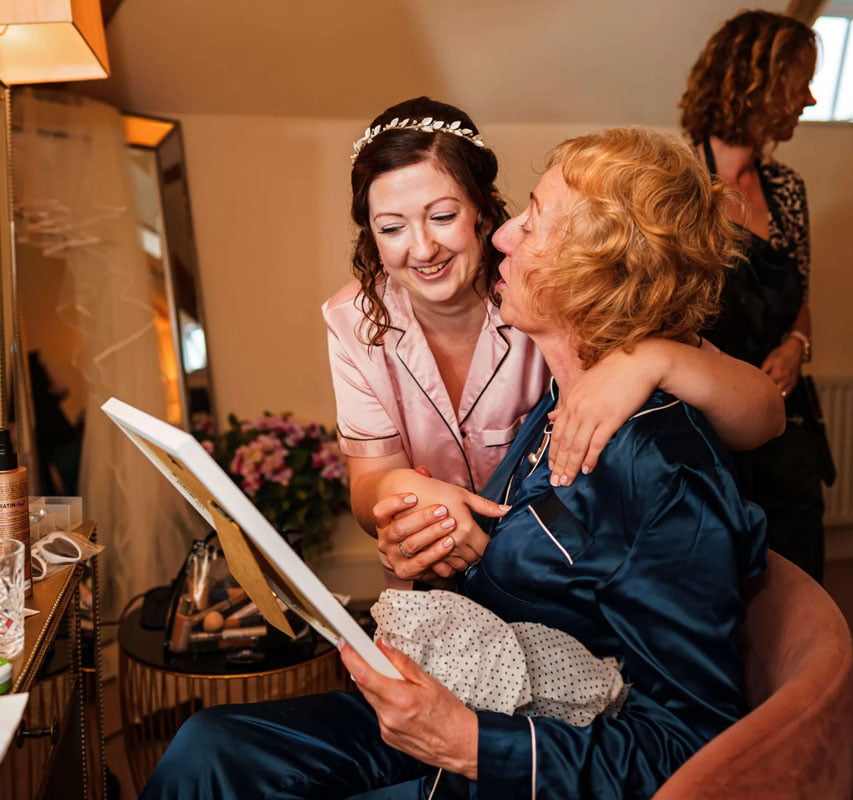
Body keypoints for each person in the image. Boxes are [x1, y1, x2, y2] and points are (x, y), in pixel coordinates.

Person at [140, 127, 767, 799]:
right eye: (393, 226)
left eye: (530, 225)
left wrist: (470, 743)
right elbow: (528, 549)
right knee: (209, 748)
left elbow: (693, 747)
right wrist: (423, 533)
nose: (503, 237)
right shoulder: (561, 398)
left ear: (596, 271)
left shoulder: (656, 471)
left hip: (514, 741)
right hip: (474, 678)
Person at [325, 97, 783, 584]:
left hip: (556, 586)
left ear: (482, 209)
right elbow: (367, 486)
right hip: (442, 587)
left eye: (442, 217)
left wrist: (656, 359)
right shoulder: (352, 319)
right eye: (391, 228)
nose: (422, 248)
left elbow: (764, 414)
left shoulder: (552, 296)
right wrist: (397, 493)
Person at [680, 10, 829, 582]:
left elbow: (801, 297)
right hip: (705, 433)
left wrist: (797, 343)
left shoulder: (787, 189)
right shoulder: (679, 182)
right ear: (754, 82)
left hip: (787, 428)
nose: (809, 99)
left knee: (800, 577)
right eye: (800, 83)